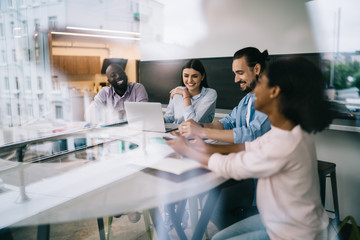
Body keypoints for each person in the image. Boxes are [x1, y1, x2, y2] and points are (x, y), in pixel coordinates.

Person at [166, 56, 333, 239]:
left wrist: (189, 150)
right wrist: (203, 147)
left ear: (274, 92)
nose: (255, 90)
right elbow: (249, 147)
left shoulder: (286, 143)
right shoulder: (285, 131)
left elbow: (232, 165)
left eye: (262, 83)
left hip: (292, 233)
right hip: (274, 219)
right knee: (217, 237)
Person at [179, 47, 271, 144]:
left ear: (256, 69)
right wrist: (199, 126)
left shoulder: (270, 97)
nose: (236, 80)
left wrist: (203, 132)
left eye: (240, 73)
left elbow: (252, 134)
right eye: (235, 74)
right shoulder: (246, 100)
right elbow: (228, 122)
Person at [163, 59, 217, 124]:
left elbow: (192, 123)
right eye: (186, 76)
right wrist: (161, 120)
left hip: (198, 133)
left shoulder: (210, 94)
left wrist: (185, 95)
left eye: (195, 76)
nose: (189, 80)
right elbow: (169, 117)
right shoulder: (178, 91)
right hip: (177, 132)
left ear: (202, 76)